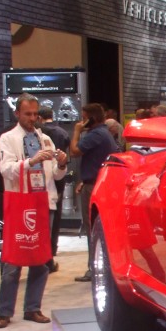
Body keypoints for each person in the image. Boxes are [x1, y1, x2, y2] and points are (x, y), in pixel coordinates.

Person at [0, 94, 68, 328]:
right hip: (19, 204)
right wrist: (32, 161)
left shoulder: (45, 139)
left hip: (43, 203)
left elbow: (56, 174)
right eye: (28, 114)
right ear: (17, 114)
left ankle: (33, 308)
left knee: (41, 259)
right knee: (13, 260)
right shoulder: (7, 139)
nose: (33, 119)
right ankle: (5, 311)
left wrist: (62, 164)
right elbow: (6, 170)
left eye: (36, 114)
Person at [70, 103, 118, 281]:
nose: (81, 122)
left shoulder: (96, 134)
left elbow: (74, 151)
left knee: (92, 227)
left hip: (94, 187)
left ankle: (93, 268)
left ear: (92, 118)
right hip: (96, 182)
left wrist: (76, 131)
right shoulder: (104, 133)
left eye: (84, 118)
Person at [37, 104, 70, 273]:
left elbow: (57, 169)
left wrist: (62, 164)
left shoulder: (47, 140)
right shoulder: (63, 132)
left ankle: (47, 259)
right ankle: (50, 252)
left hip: (49, 187)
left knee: (48, 226)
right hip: (28, 195)